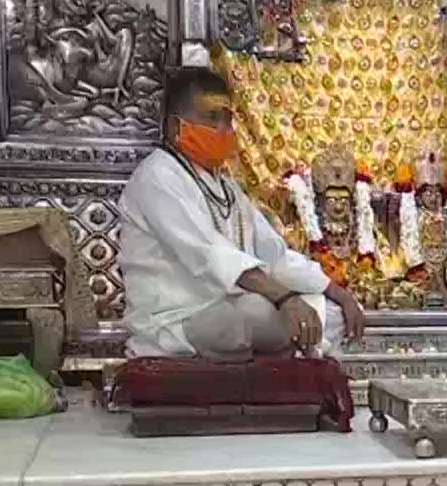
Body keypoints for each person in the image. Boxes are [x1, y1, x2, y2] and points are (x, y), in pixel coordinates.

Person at [118, 68, 365, 360]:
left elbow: (275, 255)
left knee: (332, 314)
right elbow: (210, 255)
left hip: (232, 309)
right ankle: (287, 353)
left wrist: (336, 291)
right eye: (211, 118)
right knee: (257, 314)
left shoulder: (225, 187)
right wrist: (284, 298)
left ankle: (282, 352)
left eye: (227, 120)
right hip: (175, 322)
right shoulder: (158, 176)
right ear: (176, 127)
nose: (224, 130)